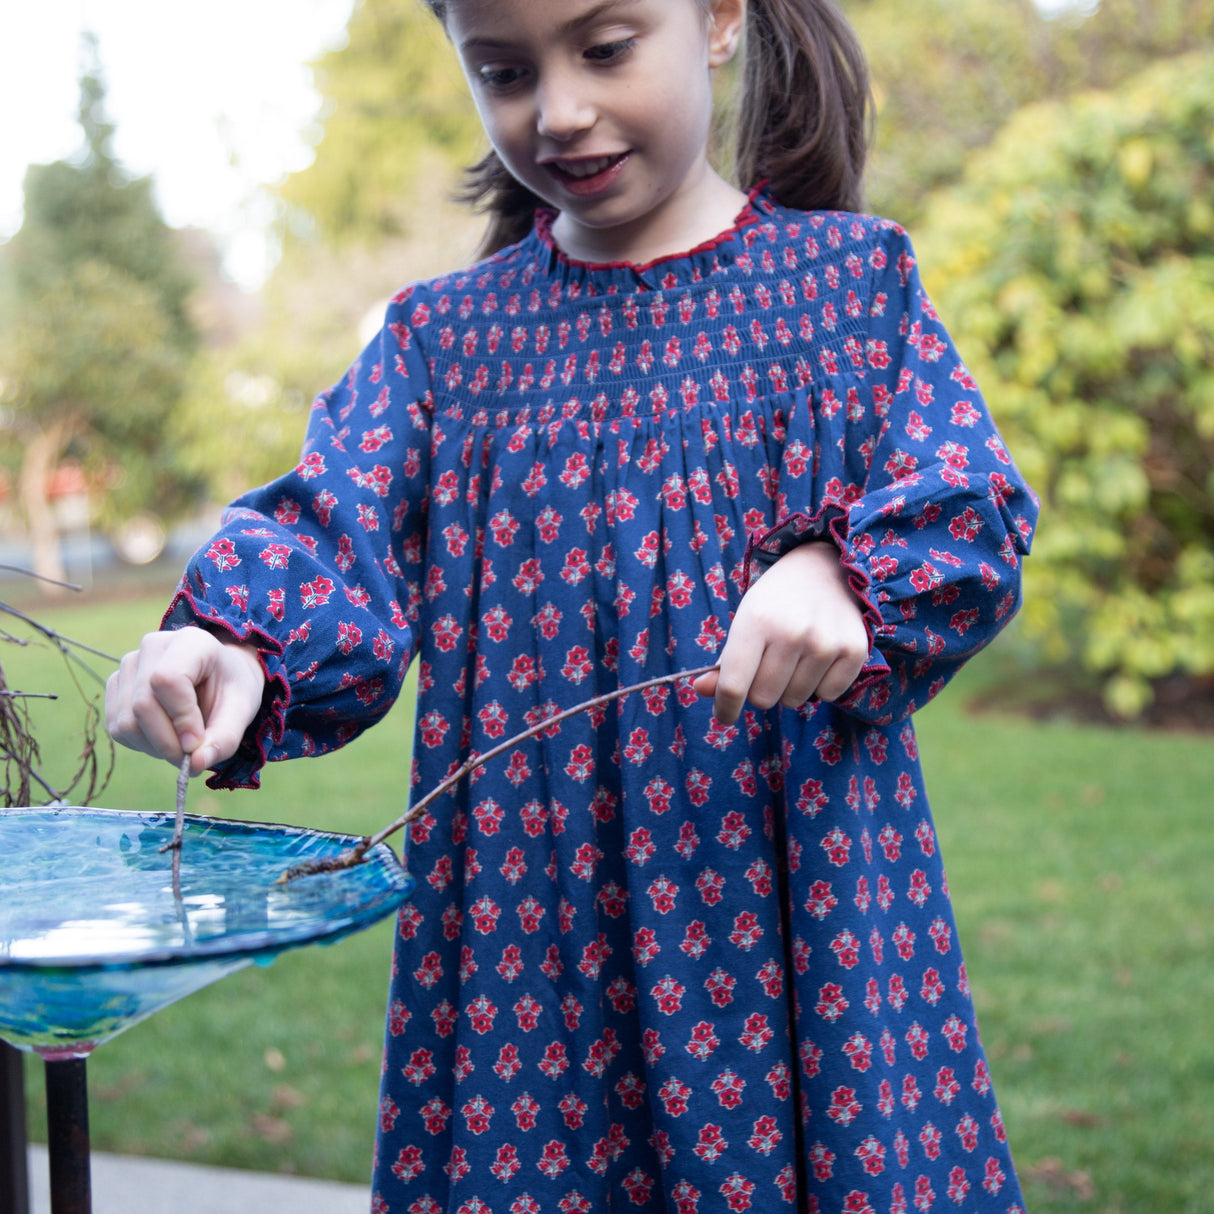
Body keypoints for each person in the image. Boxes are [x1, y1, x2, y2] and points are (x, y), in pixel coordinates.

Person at [106, 0, 1037, 1210]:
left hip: (802, 925)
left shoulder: (853, 288)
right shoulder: (444, 345)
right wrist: (227, 647)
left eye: (603, 48)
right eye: (502, 70)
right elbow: (328, 535)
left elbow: (965, 505)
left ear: (716, 19)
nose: (557, 111)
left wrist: (841, 572)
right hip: (530, 944)